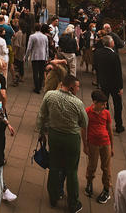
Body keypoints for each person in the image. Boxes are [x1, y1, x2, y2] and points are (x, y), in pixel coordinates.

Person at [35, 75, 88, 212]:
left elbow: (41, 115)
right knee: (71, 171)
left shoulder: (50, 95)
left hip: (54, 136)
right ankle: (73, 202)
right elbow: (84, 123)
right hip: (71, 139)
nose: (78, 89)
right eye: (77, 87)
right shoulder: (77, 103)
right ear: (71, 87)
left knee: (54, 167)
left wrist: (41, 132)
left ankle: (53, 197)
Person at [84, 90, 113, 205]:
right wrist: (85, 145)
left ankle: (106, 190)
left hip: (106, 143)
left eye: (105, 104)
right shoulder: (87, 112)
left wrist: (112, 146)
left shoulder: (106, 113)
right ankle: (89, 183)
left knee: (106, 168)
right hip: (93, 144)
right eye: (103, 104)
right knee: (92, 165)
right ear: (95, 102)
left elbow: (110, 130)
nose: (105, 106)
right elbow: (83, 129)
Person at [93, 35, 125, 133]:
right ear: (111, 43)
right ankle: (119, 125)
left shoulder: (98, 53)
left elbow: (95, 66)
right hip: (114, 84)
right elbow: (118, 72)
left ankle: (103, 124)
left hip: (103, 82)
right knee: (117, 105)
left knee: (103, 103)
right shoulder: (114, 55)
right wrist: (120, 87)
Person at [25, 23, 49, 94]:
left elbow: (29, 48)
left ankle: (36, 87)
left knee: (35, 72)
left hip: (35, 56)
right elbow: (46, 48)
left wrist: (26, 56)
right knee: (41, 72)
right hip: (43, 56)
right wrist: (47, 56)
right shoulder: (45, 37)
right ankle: (40, 85)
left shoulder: (32, 36)